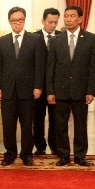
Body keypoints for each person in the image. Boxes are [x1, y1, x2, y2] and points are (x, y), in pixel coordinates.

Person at [46, 5, 95, 166]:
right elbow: (51, 67)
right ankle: (63, 155)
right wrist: (50, 90)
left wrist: (91, 90)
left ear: (80, 19)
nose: (68, 19)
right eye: (66, 16)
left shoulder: (91, 39)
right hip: (60, 89)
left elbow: (93, 67)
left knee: (81, 125)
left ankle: (80, 155)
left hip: (81, 90)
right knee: (60, 125)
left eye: (72, 16)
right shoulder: (56, 40)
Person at [0, 6, 48, 166]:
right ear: (9, 22)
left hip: (28, 91)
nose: (17, 23)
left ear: (24, 20)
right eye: (14, 20)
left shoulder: (35, 40)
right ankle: (10, 154)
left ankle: (26, 154)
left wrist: (38, 86)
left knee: (27, 125)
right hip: (8, 91)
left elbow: (40, 65)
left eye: (20, 20)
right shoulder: (1, 41)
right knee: (8, 125)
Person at [33, 8, 61, 155]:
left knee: (55, 118)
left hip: (55, 86)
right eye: (50, 22)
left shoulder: (62, 37)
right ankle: (40, 146)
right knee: (38, 118)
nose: (53, 25)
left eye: (56, 22)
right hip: (38, 86)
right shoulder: (33, 37)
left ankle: (55, 146)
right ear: (43, 21)